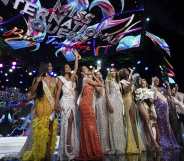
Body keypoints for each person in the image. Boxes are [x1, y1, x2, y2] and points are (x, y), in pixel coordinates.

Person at [20, 62, 62, 161]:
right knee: (41, 131)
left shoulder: (54, 79)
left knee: (51, 131)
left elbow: (56, 95)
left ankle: (47, 154)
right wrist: (37, 82)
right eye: (49, 66)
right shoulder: (38, 79)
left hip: (51, 107)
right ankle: (39, 155)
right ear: (44, 68)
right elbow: (31, 93)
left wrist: (56, 104)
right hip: (41, 106)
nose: (51, 67)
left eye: (51, 65)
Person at [77, 66, 103, 160]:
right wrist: (93, 75)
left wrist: (93, 75)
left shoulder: (88, 79)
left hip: (88, 104)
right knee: (89, 127)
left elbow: (100, 86)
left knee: (89, 126)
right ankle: (89, 151)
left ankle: (90, 149)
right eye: (84, 69)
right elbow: (100, 84)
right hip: (85, 105)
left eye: (87, 68)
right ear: (82, 72)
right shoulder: (86, 79)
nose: (87, 69)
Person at [58, 54, 79, 160]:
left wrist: (76, 57)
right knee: (67, 122)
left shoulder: (71, 78)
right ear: (63, 69)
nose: (68, 68)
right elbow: (58, 93)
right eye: (66, 67)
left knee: (71, 122)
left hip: (71, 102)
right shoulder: (60, 78)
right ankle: (66, 145)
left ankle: (70, 144)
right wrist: (57, 104)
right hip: (64, 102)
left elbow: (76, 68)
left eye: (68, 67)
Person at [152, 77, 179, 150]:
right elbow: (154, 99)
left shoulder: (161, 88)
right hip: (159, 109)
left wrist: (168, 86)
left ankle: (170, 141)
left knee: (167, 124)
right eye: (155, 80)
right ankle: (164, 141)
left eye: (158, 80)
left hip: (165, 109)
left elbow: (169, 94)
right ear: (153, 81)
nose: (157, 81)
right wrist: (153, 87)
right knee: (161, 125)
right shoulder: (152, 88)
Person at [105, 68, 126, 154]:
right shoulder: (107, 80)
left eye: (114, 71)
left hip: (119, 103)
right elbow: (106, 93)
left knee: (119, 123)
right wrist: (109, 104)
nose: (113, 72)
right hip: (112, 102)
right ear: (109, 72)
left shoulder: (118, 82)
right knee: (113, 123)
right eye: (111, 71)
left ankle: (121, 146)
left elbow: (121, 93)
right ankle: (114, 147)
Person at [135, 78, 160, 150]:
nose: (143, 83)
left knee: (153, 123)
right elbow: (138, 99)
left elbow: (153, 100)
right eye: (142, 82)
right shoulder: (139, 90)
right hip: (142, 104)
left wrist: (151, 97)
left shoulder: (150, 90)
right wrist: (144, 97)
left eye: (144, 81)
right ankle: (154, 142)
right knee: (147, 121)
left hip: (150, 106)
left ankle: (153, 142)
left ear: (146, 83)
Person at [94, 71, 110, 154]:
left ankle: (106, 145)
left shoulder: (103, 82)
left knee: (106, 124)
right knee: (101, 123)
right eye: (97, 74)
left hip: (105, 102)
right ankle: (101, 146)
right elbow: (100, 92)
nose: (99, 75)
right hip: (100, 103)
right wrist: (100, 82)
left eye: (100, 74)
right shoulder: (96, 83)